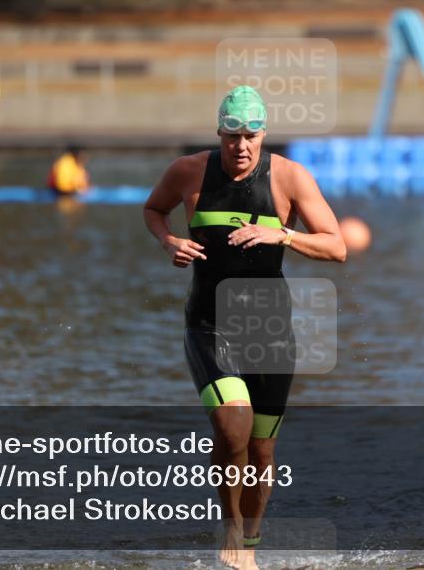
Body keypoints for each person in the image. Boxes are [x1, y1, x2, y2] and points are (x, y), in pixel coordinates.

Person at [143, 85, 346, 570]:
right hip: (209, 323)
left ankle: (248, 548)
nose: (241, 146)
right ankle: (230, 527)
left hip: (270, 332)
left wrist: (283, 234)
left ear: (263, 135)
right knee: (232, 424)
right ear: (219, 134)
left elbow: (336, 246)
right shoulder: (188, 171)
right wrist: (169, 241)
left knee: (261, 451)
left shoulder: (289, 178)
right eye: (232, 136)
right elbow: (153, 209)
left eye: (250, 136)